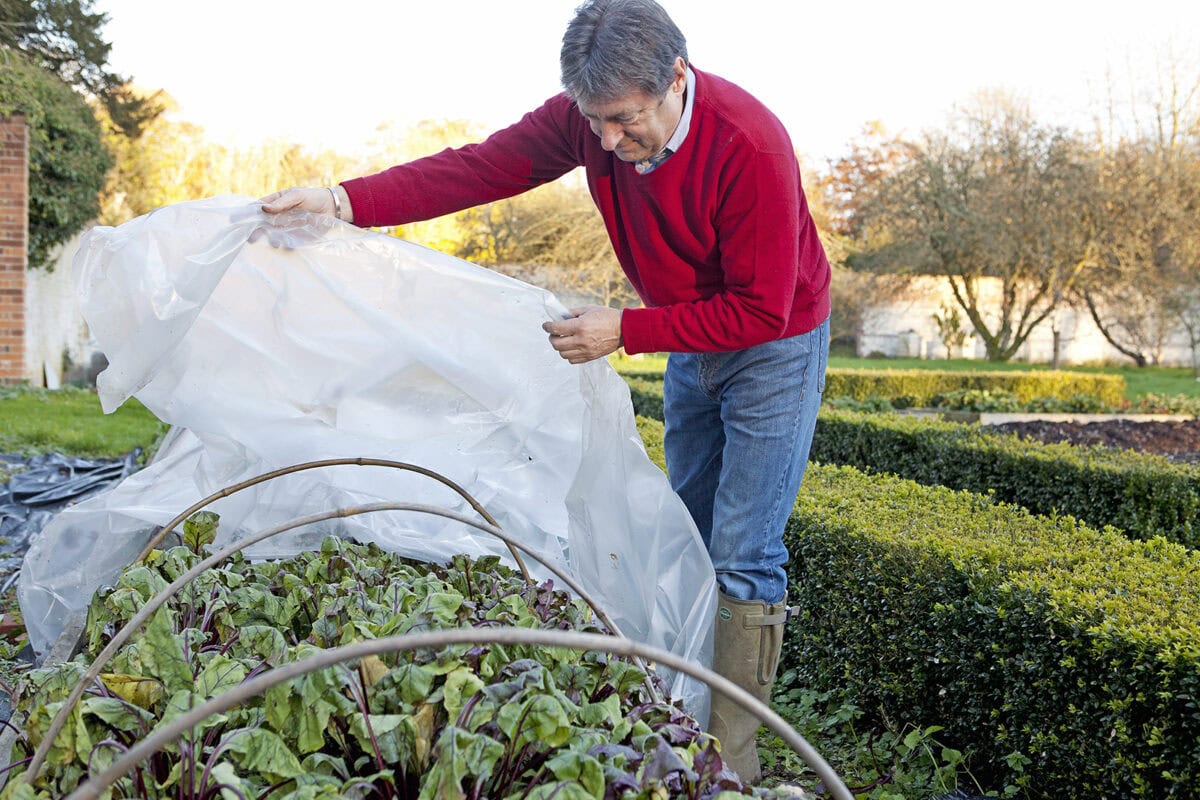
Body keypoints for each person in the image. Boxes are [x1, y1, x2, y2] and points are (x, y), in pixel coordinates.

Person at [262, 0, 829, 781]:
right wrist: (343, 201)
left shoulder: (748, 141)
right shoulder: (592, 121)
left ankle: (729, 761)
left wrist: (628, 331)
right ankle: (673, 711)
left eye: (625, 121)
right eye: (594, 121)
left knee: (744, 548)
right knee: (686, 529)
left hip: (776, 344)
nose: (606, 141)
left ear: (675, 77)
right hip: (690, 330)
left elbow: (763, 307)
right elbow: (478, 167)